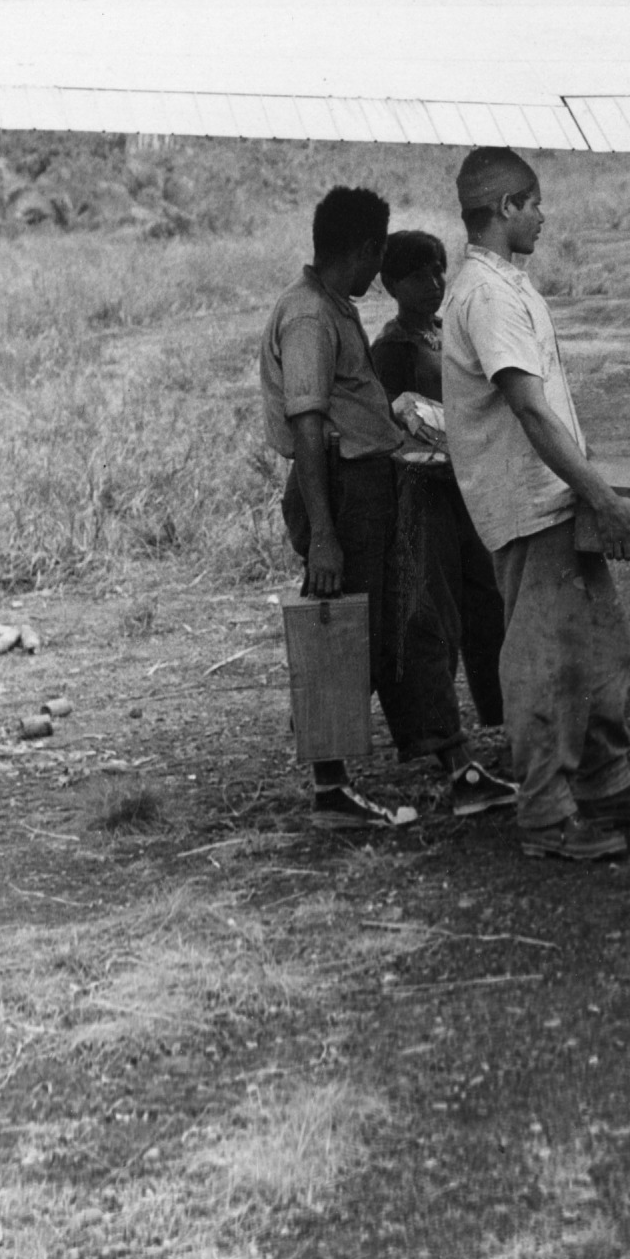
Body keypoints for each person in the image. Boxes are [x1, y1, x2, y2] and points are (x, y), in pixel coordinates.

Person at [441, 146, 630, 863]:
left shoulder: (504, 284)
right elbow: (529, 409)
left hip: (554, 497)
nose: (543, 216)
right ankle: (545, 815)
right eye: (534, 203)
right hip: (532, 504)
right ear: (506, 207)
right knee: (548, 666)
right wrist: (602, 498)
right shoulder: (488, 296)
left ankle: (606, 782)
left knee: (599, 648)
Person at [260, 186, 476, 828]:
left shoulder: (333, 305)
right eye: (377, 256)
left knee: (405, 624)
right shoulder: (308, 315)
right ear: (362, 250)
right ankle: (331, 790)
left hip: (372, 485)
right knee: (339, 632)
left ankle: (455, 764)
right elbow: (307, 425)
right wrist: (325, 536)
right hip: (343, 491)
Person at [371, 229, 515, 817]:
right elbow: (390, 429)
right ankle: (454, 758)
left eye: (438, 270)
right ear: (390, 284)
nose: (433, 283)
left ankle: (511, 729)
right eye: (417, 276)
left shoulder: (443, 331)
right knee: (429, 617)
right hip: (420, 499)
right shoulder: (391, 350)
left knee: (488, 603)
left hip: (465, 491)